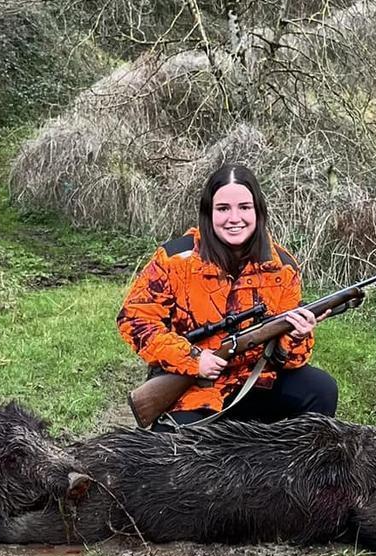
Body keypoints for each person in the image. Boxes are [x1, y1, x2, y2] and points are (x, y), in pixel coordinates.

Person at [116, 163, 339, 431]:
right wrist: (194, 359)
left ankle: (296, 469)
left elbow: (288, 360)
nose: (235, 218)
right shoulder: (175, 260)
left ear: (258, 211)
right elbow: (135, 321)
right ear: (208, 213)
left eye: (244, 207)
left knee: (321, 389)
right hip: (195, 388)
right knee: (170, 451)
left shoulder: (282, 266)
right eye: (223, 209)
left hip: (256, 382)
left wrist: (297, 336)